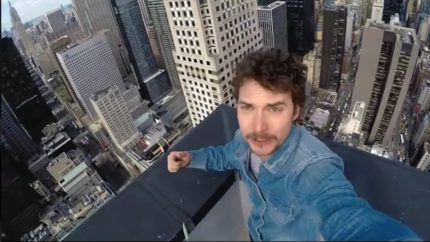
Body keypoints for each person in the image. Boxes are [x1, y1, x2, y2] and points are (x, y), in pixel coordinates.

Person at [167, 49, 421, 241]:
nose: (258, 126)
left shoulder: (313, 167)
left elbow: (346, 215)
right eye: (247, 107)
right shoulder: (242, 140)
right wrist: (192, 157)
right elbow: (225, 155)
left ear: (295, 111)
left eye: (274, 108)